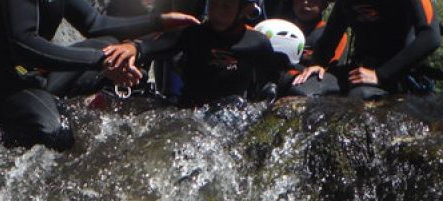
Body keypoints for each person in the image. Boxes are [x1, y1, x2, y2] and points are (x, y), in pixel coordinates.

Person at [0, 0, 200, 151]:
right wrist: (100, 62)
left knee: (111, 46)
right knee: (55, 133)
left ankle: (85, 108)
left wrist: (157, 22)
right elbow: (25, 46)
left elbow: (95, 23)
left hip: (31, 77)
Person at [104, 0, 282, 107]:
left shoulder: (257, 43)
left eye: (226, 7)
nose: (217, 13)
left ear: (245, 10)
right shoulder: (192, 34)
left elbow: (273, 78)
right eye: (213, 4)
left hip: (233, 113)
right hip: (191, 110)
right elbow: (153, 47)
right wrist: (134, 48)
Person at [292, 0, 441, 99]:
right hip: (358, 70)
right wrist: (317, 63)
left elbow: (430, 37)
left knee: (360, 97)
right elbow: (329, 38)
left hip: (397, 74)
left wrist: (381, 75)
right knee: (302, 89)